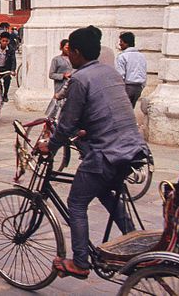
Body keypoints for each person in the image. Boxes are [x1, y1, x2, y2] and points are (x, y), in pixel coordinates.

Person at [37, 26, 147, 280]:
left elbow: (66, 124)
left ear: (76, 52)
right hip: (132, 148)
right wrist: (87, 128)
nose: (68, 55)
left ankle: (79, 263)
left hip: (106, 153)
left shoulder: (79, 79)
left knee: (76, 203)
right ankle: (134, 241)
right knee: (107, 194)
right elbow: (106, 109)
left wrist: (50, 146)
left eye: (70, 51)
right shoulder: (110, 72)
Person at [116, 31, 146, 108]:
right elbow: (143, 72)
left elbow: (120, 75)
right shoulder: (141, 56)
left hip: (127, 87)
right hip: (138, 88)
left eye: (121, 42)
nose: (120, 44)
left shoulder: (122, 56)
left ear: (127, 43)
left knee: (122, 111)